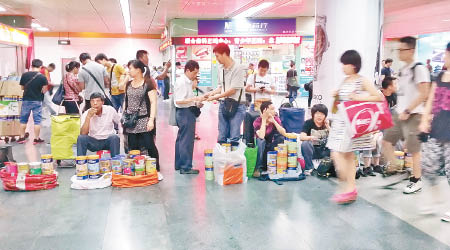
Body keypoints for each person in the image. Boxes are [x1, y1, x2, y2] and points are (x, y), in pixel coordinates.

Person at [326, 50, 384, 204]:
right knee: (348, 156)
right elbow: (342, 100)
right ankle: (351, 189)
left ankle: (345, 185)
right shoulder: (345, 81)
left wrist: (358, 97)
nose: (343, 67)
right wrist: (336, 94)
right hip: (340, 120)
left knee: (337, 154)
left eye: (345, 64)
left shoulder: (362, 81)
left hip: (351, 124)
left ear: (353, 65)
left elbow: (378, 97)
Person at [382, 36, 431, 194]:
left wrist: (408, 110)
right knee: (386, 142)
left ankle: (416, 180)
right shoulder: (402, 70)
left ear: (411, 50)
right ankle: (396, 168)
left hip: (413, 115)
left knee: (414, 150)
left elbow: (424, 94)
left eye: (401, 50)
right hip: (399, 113)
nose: (398, 53)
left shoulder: (419, 69)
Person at [419, 42, 450, 222]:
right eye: (446, 54)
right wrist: (424, 119)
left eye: (447, 54)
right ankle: (435, 200)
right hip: (437, 129)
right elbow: (431, 99)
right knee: (429, 168)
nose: (445, 58)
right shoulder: (440, 76)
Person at [121, 60, 162, 180]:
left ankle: (156, 168)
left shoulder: (148, 83)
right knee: (133, 147)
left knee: (149, 145)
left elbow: (153, 102)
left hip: (144, 119)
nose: (129, 71)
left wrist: (151, 120)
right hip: (130, 121)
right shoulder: (128, 84)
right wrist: (123, 114)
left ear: (138, 69)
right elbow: (126, 100)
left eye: (131, 68)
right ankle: (137, 169)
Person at [206, 43, 246, 146]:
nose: (216, 58)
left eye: (217, 56)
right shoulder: (220, 68)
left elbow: (233, 90)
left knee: (234, 136)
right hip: (224, 103)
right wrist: (210, 93)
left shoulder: (238, 68)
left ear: (224, 54)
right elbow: (221, 87)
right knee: (222, 136)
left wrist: (215, 97)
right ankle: (222, 159)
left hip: (237, 105)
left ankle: (234, 160)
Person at [173, 60, 206, 174]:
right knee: (186, 141)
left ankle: (179, 164)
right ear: (187, 70)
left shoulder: (188, 82)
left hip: (187, 111)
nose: (195, 76)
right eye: (194, 73)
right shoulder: (182, 82)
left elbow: (187, 98)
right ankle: (186, 167)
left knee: (181, 139)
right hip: (184, 113)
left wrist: (196, 103)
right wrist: (194, 100)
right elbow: (178, 100)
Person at [253, 101, 292, 178]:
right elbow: (261, 136)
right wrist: (264, 120)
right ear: (265, 110)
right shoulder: (257, 121)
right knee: (261, 141)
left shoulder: (275, 119)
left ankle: (279, 165)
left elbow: (284, 133)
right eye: (272, 109)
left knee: (281, 138)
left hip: (271, 146)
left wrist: (274, 121)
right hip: (261, 148)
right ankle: (257, 168)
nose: (274, 111)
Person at [77, 92, 120, 157]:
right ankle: (81, 163)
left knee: (115, 137)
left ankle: (116, 163)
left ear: (102, 102)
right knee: (81, 138)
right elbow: (83, 133)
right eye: (92, 101)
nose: (95, 103)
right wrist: (88, 117)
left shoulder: (110, 110)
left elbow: (119, 122)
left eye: (98, 101)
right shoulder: (86, 113)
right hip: (94, 141)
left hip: (108, 140)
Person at [244, 59, 276, 146]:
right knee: (255, 125)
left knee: (269, 124)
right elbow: (246, 88)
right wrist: (257, 89)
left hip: (268, 104)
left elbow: (274, 91)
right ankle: (253, 143)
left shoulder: (270, 78)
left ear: (267, 70)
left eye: (265, 71)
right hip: (256, 104)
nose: (263, 72)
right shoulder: (252, 77)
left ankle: (268, 143)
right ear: (258, 68)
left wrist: (267, 90)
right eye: (261, 70)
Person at [17, 59, 48, 144]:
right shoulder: (42, 77)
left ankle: (21, 137)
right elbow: (44, 90)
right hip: (37, 101)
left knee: (23, 120)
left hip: (26, 100)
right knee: (37, 121)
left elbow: (22, 88)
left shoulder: (24, 75)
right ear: (40, 66)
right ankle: (36, 138)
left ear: (31, 65)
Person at [299, 104, 330, 175]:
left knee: (334, 143)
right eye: (317, 114)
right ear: (313, 115)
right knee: (305, 144)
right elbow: (301, 137)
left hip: (324, 151)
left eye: (322, 114)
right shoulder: (308, 123)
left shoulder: (328, 123)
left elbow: (335, 137)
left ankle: (328, 165)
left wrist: (328, 127)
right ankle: (309, 167)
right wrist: (310, 137)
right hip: (313, 151)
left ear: (325, 116)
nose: (319, 116)